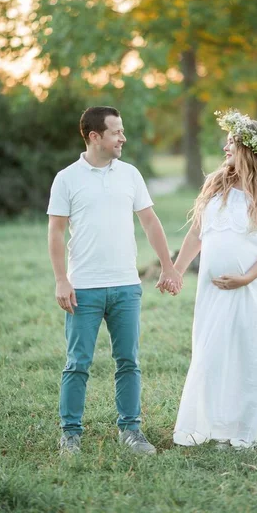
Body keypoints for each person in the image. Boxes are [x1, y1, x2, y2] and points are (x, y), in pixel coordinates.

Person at [47, 106, 182, 456]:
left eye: (122, 131)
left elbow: (150, 222)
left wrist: (168, 267)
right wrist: (62, 280)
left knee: (129, 361)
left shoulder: (131, 175)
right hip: (84, 288)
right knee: (77, 363)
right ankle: (70, 435)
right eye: (116, 132)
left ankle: (131, 430)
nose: (123, 137)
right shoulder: (67, 178)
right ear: (95, 137)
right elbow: (56, 233)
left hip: (126, 286)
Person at [168, 108, 257, 450]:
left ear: (249, 150)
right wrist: (177, 270)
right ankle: (204, 424)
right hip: (211, 290)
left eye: (231, 144)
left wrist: (246, 277)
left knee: (244, 355)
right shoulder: (216, 183)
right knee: (208, 353)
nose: (225, 150)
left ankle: (237, 431)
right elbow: (196, 234)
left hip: (250, 289)